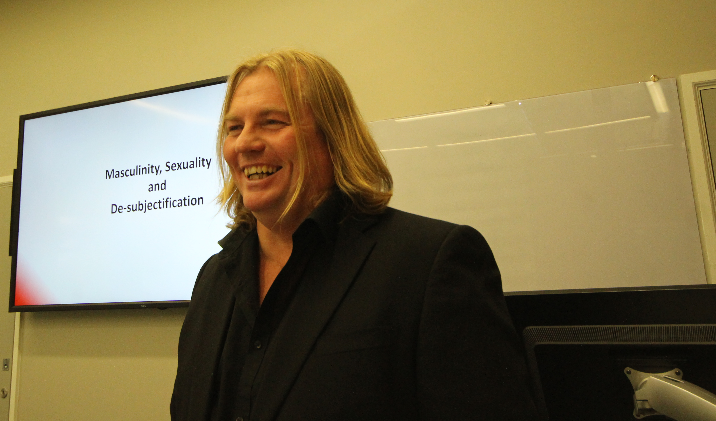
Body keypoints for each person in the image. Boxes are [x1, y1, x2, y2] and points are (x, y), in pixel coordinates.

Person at [170, 49, 538, 421]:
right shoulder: (213, 281)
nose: (244, 144)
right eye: (234, 128)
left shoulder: (428, 264)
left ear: (333, 137)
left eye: (272, 122)